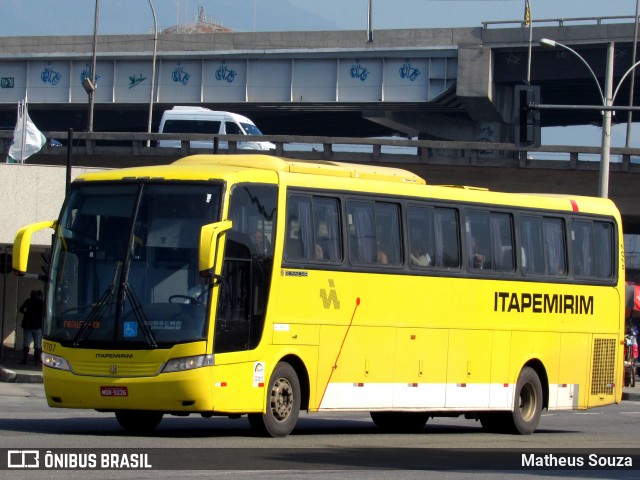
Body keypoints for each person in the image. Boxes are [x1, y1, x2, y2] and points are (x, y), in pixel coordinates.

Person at [18, 290, 44, 365]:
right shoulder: (41, 303)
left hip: (28, 325)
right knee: (37, 344)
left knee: (26, 343)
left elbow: (21, 309)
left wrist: (26, 314)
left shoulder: (28, 301)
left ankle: (25, 360)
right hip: (37, 326)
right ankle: (37, 361)